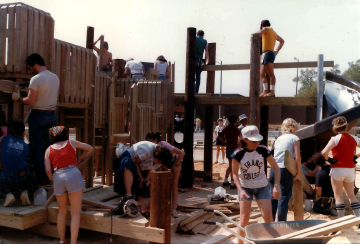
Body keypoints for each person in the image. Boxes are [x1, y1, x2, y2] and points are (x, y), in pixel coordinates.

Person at [12, 53, 59, 185]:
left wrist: (19, 98)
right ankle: (52, 179)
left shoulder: (36, 79)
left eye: (30, 67)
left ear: (35, 64)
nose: (30, 70)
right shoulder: (55, 77)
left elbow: (30, 101)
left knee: (37, 149)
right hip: (52, 115)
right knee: (50, 149)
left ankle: (42, 179)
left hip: (38, 115)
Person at [44, 126, 93, 244]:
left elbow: (48, 171)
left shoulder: (48, 150)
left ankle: (62, 240)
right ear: (65, 134)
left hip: (58, 176)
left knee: (62, 212)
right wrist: (81, 157)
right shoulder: (70, 143)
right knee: (75, 213)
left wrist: (53, 181)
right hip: (73, 175)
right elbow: (90, 148)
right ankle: (73, 242)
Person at [232, 125, 281, 243]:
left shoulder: (263, 149)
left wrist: (276, 185)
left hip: (262, 187)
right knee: (244, 219)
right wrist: (240, 190)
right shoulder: (238, 153)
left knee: (268, 217)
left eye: (258, 140)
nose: (256, 143)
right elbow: (234, 174)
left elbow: (276, 167)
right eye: (253, 141)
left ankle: (270, 242)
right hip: (245, 188)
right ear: (245, 139)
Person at [321, 116, 360, 218]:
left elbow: (324, 152)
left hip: (337, 168)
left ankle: (341, 220)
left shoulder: (335, 139)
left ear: (335, 128)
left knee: (338, 196)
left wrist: (329, 160)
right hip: (350, 169)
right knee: (351, 195)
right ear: (346, 127)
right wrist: (356, 156)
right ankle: (358, 219)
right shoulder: (354, 138)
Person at [146, 132, 185, 218]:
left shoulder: (163, 144)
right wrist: (165, 168)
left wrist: (176, 165)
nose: (149, 142)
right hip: (165, 166)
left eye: (151, 141)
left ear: (155, 140)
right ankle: (164, 207)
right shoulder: (152, 148)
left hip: (175, 163)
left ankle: (174, 209)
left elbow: (181, 153)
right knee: (164, 185)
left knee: (174, 186)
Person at [271, 118, 301, 221]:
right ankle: (281, 225)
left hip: (273, 169)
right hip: (285, 169)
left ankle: (269, 222)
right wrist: (298, 172)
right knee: (283, 198)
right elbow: (297, 157)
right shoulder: (295, 138)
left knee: (273, 197)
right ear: (294, 127)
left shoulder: (277, 139)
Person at [0, 121, 33, 207]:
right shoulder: (26, 146)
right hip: (23, 176)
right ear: (22, 132)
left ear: (9, 130)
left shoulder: (4, 139)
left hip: (6, 176)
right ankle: (25, 192)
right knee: (29, 175)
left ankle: (8, 194)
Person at [256, 20, 285, 97]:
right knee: (262, 73)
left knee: (271, 73)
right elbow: (282, 41)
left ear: (262, 25)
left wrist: (256, 34)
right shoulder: (273, 32)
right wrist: (276, 51)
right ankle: (265, 91)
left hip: (268, 53)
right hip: (265, 54)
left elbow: (260, 32)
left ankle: (272, 92)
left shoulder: (266, 29)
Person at [218, 115, 241, 189]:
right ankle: (232, 183)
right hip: (234, 149)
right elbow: (241, 137)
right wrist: (239, 144)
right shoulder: (235, 128)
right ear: (235, 121)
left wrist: (224, 143)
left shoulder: (226, 128)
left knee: (230, 165)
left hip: (228, 148)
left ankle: (225, 181)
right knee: (233, 166)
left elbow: (219, 136)